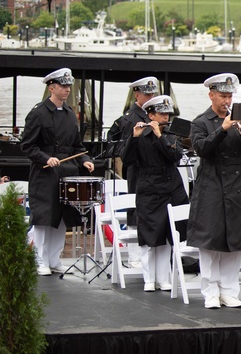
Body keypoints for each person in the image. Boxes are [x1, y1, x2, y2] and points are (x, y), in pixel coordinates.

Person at [187, 73, 241, 309]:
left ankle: (230, 290)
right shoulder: (201, 121)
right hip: (212, 182)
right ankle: (210, 291)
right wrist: (222, 129)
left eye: (230, 95)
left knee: (236, 239)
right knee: (211, 241)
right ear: (211, 95)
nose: (227, 100)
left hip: (239, 183)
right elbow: (201, 149)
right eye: (223, 95)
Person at [21, 68, 95, 275]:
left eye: (68, 86)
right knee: (44, 217)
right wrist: (46, 158)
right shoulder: (38, 113)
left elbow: (77, 147)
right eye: (63, 86)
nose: (67, 89)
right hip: (44, 173)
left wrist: (86, 160)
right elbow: (27, 145)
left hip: (67, 172)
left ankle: (54, 259)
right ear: (51, 87)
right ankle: (39, 259)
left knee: (62, 217)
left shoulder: (71, 115)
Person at [123, 95, 188, 292]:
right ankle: (149, 278)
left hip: (170, 188)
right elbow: (127, 160)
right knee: (150, 236)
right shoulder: (140, 134)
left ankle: (164, 277)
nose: (166, 118)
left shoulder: (171, 134)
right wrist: (133, 138)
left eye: (167, 114)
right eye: (161, 114)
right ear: (150, 115)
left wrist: (160, 136)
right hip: (149, 190)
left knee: (168, 235)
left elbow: (174, 156)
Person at [106, 76, 158, 267]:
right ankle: (135, 256)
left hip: (153, 170)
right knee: (135, 208)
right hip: (137, 169)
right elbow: (123, 149)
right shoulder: (130, 119)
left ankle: (149, 254)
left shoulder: (153, 114)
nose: (151, 96)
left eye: (153, 93)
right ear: (137, 94)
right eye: (147, 94)